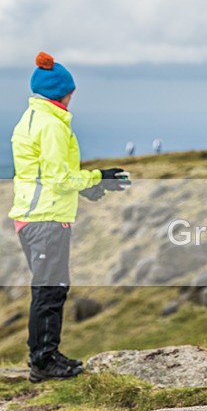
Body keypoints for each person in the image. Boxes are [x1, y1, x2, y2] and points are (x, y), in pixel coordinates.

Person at [9, 52, 130, 382]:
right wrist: (97, 177)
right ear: (61, 92)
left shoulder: (33, 118)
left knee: (49, 288)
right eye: (70, 91)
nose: (72, 96)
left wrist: (89, 187)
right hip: (46, 219)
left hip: (34, 217)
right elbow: (59, 179)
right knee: (50, 290)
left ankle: (45, 357)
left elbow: (47, 174)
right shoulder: (51, 126)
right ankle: (44, 361)